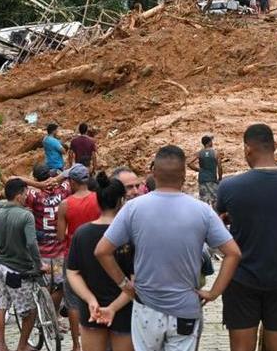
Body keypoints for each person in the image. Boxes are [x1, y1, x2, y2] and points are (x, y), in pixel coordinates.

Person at [96, 145, 242, 351]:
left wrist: (124, 284)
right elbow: (233, 253)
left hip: (146, 308)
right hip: (185, 310)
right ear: (184, 174)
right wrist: (213, 293)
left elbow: (102, 251)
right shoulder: (202, 211)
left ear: (154, 172)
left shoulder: (133, 208)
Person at [216, 124, 277, 351]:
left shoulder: (228, 187)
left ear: (247, 149)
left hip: (241, 277)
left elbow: (218, 226)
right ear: (275, 146)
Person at [67, 172, 134, 351]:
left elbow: (72, 272)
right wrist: (113, 307)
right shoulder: (130, 234)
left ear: (98, 200)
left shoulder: (82, 234)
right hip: (125, 311)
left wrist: (90, 299)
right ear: (121, 201)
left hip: (92, 312)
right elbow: (136, 281)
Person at [0, 178, 46, 351]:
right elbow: (31, 243)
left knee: (1, 306)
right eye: (26, 193)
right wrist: (38, 264)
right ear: (19, 196)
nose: (27, 197)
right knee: (30, 311)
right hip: (17, 271)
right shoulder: (26, 215)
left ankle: (2, 346)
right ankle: (22, 346)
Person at [58, 163, 102, 351]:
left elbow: (61, 236)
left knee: (73, 301)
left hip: (73, 255)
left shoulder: (65, 204)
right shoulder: (98, 199)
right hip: (97, 254)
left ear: (73, 182)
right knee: (96, 294)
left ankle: (77, 345)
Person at [25, 163, 72, 310]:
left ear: (36, 178)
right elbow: (73, 170)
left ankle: (47, 315)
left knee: (44, 286)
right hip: (59, 249)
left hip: (41, 250)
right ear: (50, 175)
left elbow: (13, 180)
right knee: (59, 285)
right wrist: (57, 179)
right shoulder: (63, 190)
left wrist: (37, 185)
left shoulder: (34, 195)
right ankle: (54, 316)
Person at [188, 135, 223, 208]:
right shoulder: (215, 153)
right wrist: (220, 178)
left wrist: (199, 170)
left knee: (204, 202)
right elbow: (219, 167)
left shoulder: (200, 153)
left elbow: (189, 163)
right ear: (209, 142)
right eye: (211, 141)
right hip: (212, 179)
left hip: (202, 179)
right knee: (215, 201)